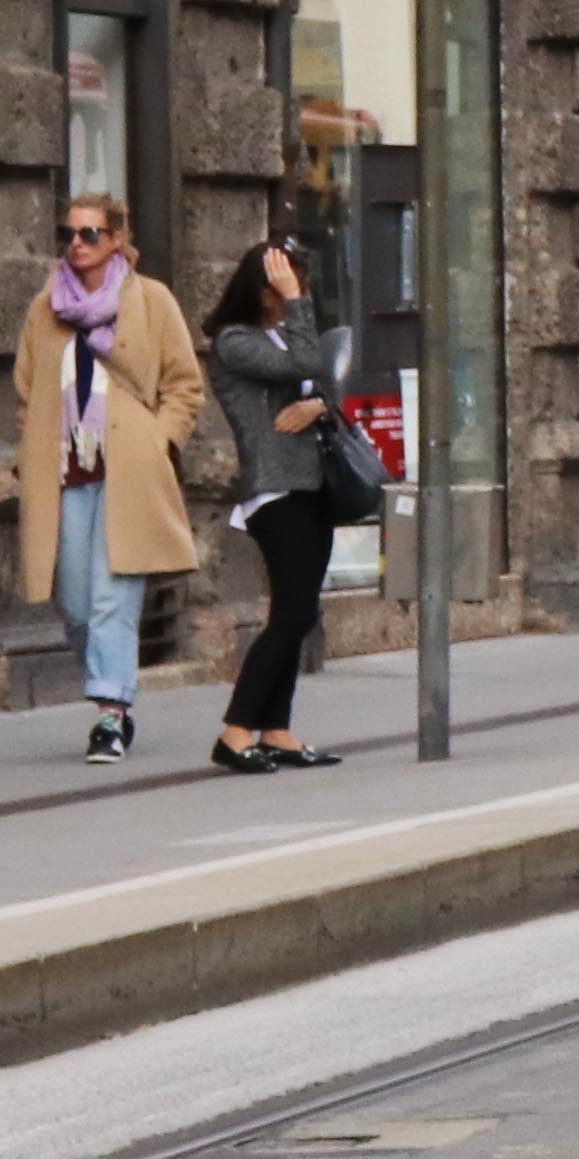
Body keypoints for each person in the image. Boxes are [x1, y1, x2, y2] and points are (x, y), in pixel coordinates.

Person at [17, 192, 205, 765]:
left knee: (110, 601)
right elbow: (27, 391)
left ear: (116, 241)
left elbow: (184, 385)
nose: (76, 243)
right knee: (73, 602)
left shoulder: (151, 301)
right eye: (69, 233)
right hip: (65, 472)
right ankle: (112, 684)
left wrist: (159, 439)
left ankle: (110, 715)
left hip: (130, 473)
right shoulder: (45, 308)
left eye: (90, 234)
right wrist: (29, 455)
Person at [202, 236, 354, 773]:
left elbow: (327, 385)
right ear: (262, 289)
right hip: (275, 489)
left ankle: (277, 727)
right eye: (287, 283)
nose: (297, 290)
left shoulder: (284, 333)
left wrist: (318, 406)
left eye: (300, 282)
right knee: (290, 613)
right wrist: (299, 307)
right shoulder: (235, 342)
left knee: (301, 611)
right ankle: (236, 730)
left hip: (313, 484)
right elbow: (309, 361)